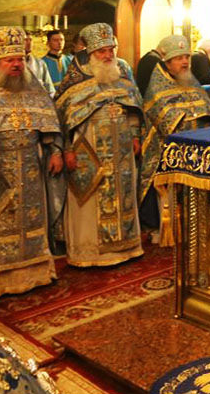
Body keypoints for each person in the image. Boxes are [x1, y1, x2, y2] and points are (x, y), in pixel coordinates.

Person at [0, 27, 63, 298]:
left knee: (32, 220)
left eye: (20, 59)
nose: (16, 64)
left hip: (30, 165)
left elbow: (49, 124)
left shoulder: (34, 90)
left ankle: (35, 274)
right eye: (9, 60)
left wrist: (56, 151)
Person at [53, 23, 144, 267]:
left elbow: (134, 107)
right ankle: (91, 253)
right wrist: (67, 150)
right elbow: (61, 119)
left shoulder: (122, 75)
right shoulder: (75, 83)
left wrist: (135, 135)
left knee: (124, 195)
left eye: (110, 49)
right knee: (90, 198)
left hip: (122, 148)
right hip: (89, 149)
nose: (107, 55)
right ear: (90, 53)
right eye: (102, 51)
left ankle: (127, 246)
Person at [138, 35, 210, 241]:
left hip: (196, 151)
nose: (184, 62)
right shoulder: (157, 86)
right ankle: (167, 230)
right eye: (179, 58)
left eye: (186, 57)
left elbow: (208, 109)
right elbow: (164, 120)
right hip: (166, 152)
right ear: (167, 62)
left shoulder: (191, 81)